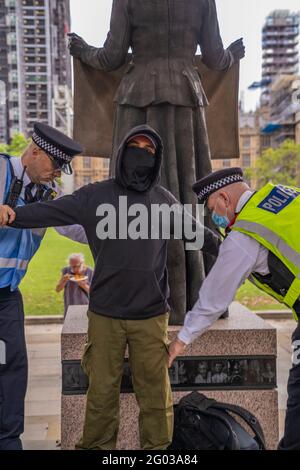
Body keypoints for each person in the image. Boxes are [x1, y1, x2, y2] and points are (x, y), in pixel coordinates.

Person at [0, 125, 220, 450]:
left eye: (148, 150)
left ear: (157, 159)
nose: (140, 154)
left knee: (156, 398)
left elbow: (201, 236)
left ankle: (158, 452)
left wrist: (235, 251)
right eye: (135, 146)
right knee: (101, 395)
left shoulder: (164, 201)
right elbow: (53, 212)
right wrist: (14, 215)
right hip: (105, 315)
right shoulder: (95, 196)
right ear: (122, 152)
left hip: (150, 317)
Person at [68, 0, 245, 324]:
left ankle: (133, 297)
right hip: (186, 101)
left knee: (130, 198)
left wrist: (82, 51)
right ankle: (194, 296)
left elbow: (111, 57)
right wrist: (234, 55)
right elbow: (216, 58)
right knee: (191, 197)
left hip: (138, 101)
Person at [168, 167, 300, 450]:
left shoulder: (244, 234)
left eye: (212, 208)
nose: (214, 217)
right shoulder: (280, 194)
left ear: (224, 198)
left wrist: (180, 342)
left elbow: (214, 298)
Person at [0, 123, 86, 450]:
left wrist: (120, 236)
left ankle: (9, 443)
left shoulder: (46, 195)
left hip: (6, 297)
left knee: (11, 368)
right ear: (34, 152)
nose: (57, 174)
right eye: (54, 165)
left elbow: (78, 230)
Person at [56, 253, 93, 317]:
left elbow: (93, 292)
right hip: (69, 305)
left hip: (84, 306)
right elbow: (57, 289)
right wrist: (63, 281)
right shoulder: (66, 270)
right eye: (71, 266)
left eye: (76, 266)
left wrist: (82, 284)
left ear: (82, 263)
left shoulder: (89, 271)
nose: (73, 269)